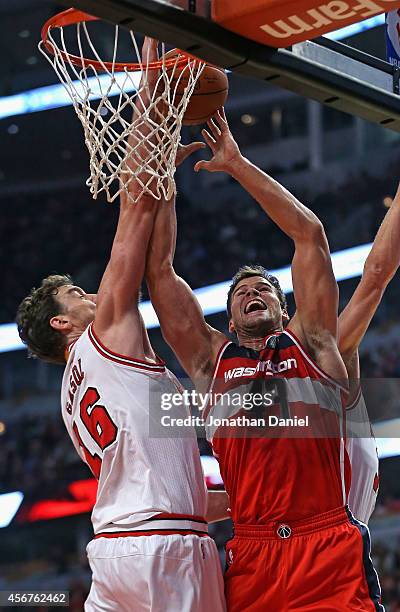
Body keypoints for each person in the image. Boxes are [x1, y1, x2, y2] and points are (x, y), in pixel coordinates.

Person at [16, 39, 226, 612]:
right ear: (63, 322)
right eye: (75, 294)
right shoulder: (104, 331)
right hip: (165, 550)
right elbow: (132, 217)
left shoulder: (72, 391)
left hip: (117, 549)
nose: (90, 293)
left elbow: (158, 480)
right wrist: (154, 99)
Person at [145, 107, 384, 611]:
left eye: (265, 289)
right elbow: (161, 276)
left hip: (327, 545)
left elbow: (309, 236)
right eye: (242, 293)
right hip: (253, 551)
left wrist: (236, 164)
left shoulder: (314, 342)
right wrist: (162, 178)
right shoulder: (213, 363)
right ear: (230, 320)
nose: (254, 292)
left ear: (283, 308)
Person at [339, 182, 400, 524]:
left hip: (336, 538)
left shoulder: (324, 354)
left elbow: (376, 275)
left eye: (261, 288)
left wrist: (239, 166)